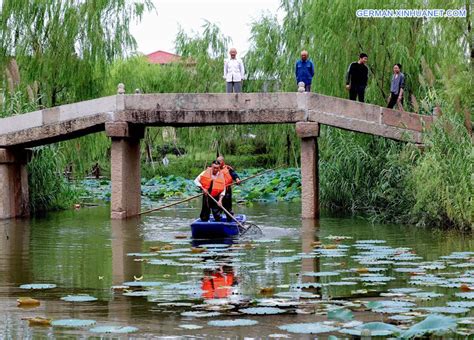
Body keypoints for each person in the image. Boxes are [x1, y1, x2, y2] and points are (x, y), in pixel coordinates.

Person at [217, 156, 241, 220]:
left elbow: (234, 174)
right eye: (218, 162)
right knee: (217, 206)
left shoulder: (228, 168)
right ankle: (217, 219)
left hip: (227, 190)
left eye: (220, 162)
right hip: (218, 190)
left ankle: (229, 218)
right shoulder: (215, 168)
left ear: (223, 162)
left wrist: (237, 179)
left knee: (228, 206)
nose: (218, 163)